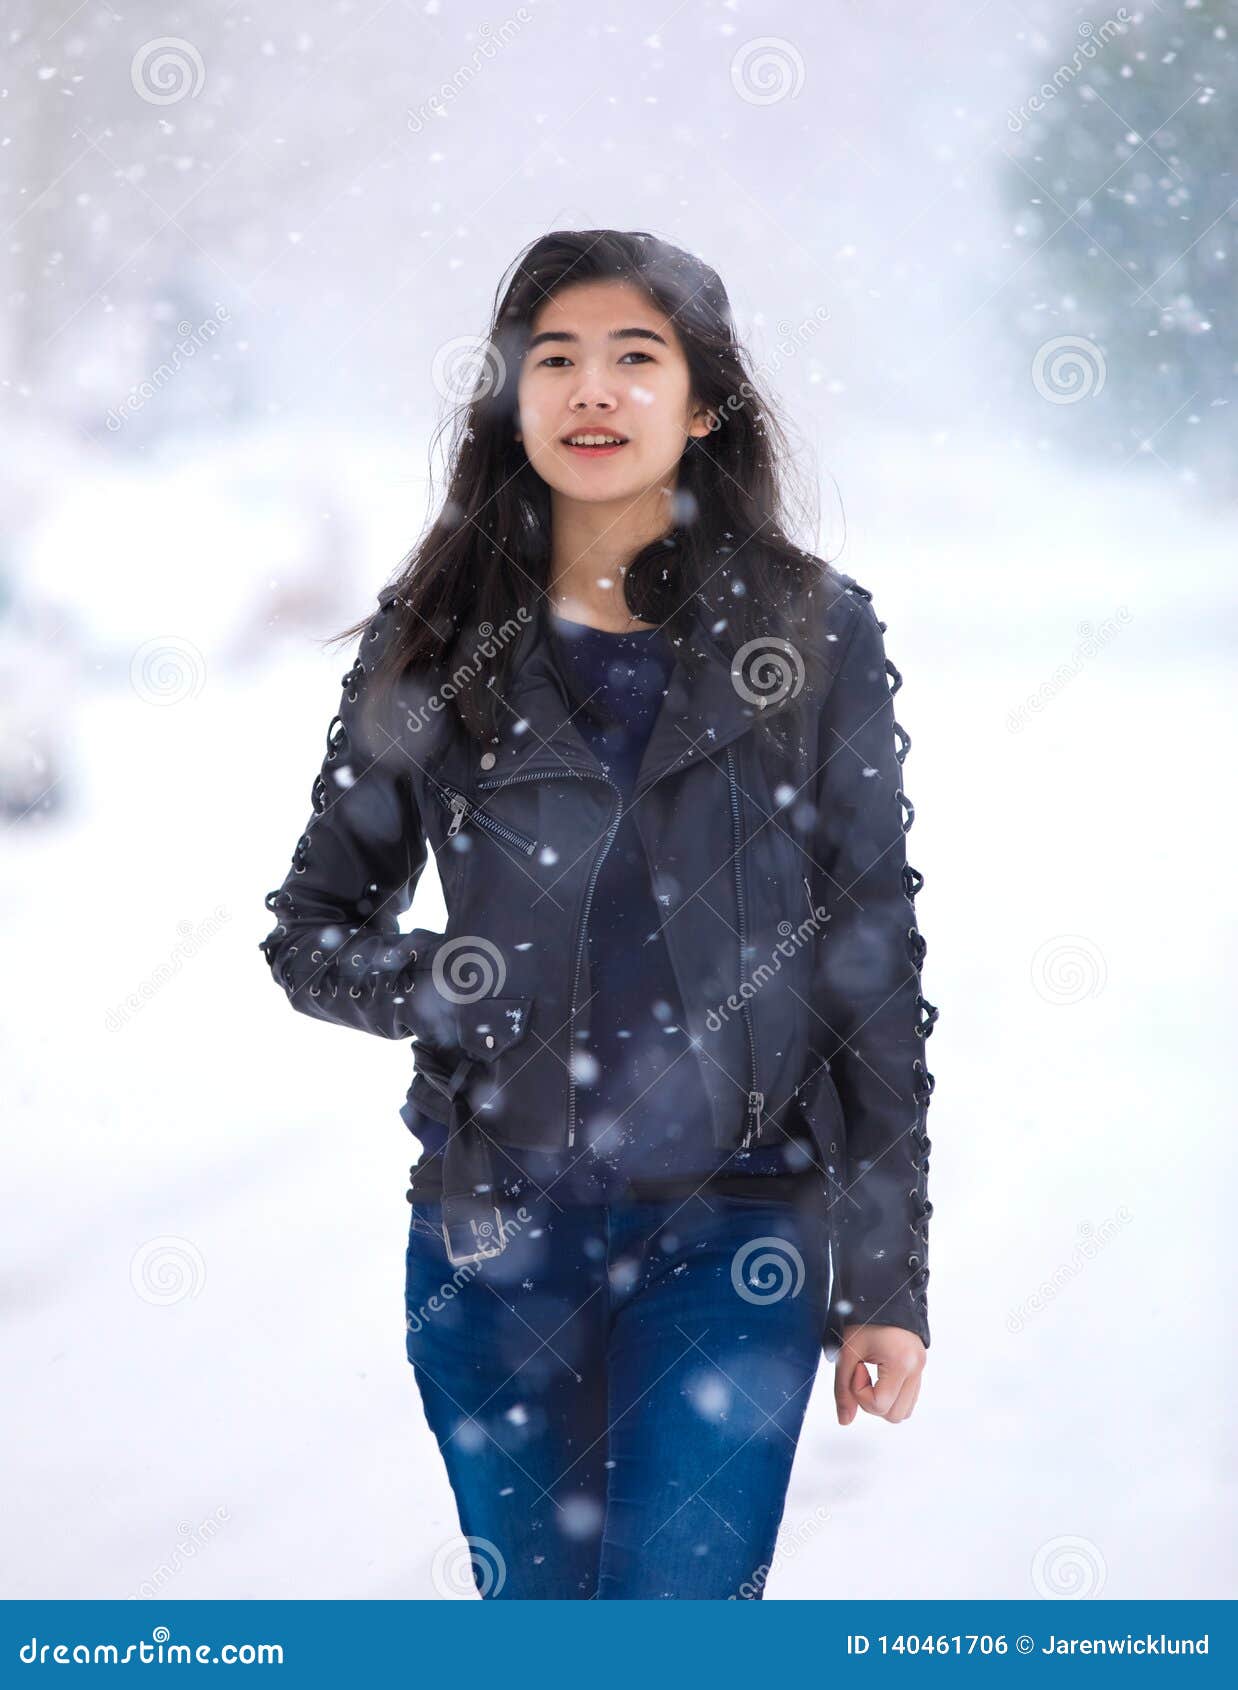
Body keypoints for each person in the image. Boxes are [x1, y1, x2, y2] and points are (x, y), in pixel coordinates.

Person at [259, 229, 937, 1600]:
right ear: (509, 399)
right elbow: (314, 928)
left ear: (702, 404)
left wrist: (886, 1278)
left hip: (737, 1233)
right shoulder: (437, 641)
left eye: (637, 358)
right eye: (554, 358)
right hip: (494, 1241)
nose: (591, 389)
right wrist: (444, 981)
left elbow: (871, 959)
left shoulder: (811, 633)